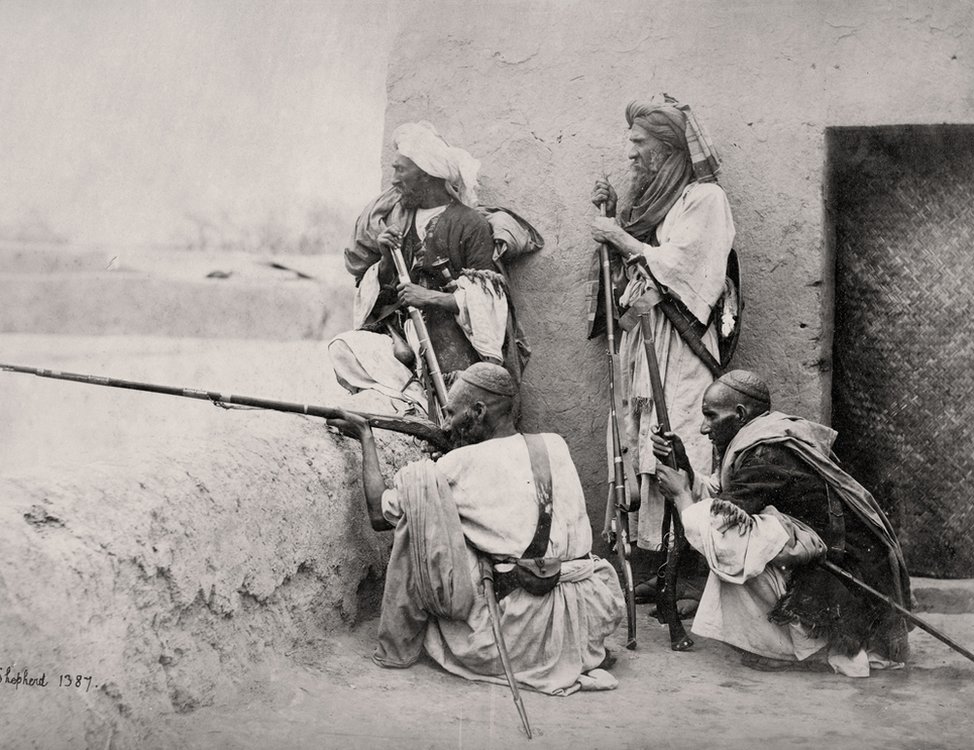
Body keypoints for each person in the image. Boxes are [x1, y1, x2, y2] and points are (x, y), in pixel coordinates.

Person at [327, 362, 624, 695]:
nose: (446, 424)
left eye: (451, 413)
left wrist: (365, 437)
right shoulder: (554, 444)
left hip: (525, 632)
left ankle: (403, 648)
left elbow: (379, 515)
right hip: (586, 618)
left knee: (421, 512)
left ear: (479, 411)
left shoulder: (459, 464)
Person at [653, 369, 912, 676]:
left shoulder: (766, 452)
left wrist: (682, 495)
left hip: (844, 581)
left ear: (740, 414)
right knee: (751, 537)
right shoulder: (764, 437)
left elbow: (718, 528)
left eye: (711, 416)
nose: (703, 428)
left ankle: (793, 649)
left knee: (735, 551)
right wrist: (683, 464)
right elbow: (728, 499)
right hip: (834, 569)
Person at [586, 94, 737, 606]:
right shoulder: (660, 203)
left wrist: (620, 238)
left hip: (683, 343)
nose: (630, 153)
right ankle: (665, 566)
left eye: (639, 143)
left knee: (685, 443)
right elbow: (640, 258)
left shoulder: (705, 199)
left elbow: (685, 267)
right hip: (647, 339)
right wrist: (618, 220)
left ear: (668, 149)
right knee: (647, 445)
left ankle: (694, 574)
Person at [331, 121, 531, 417]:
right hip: (405, 338)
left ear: (425, 174)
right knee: (343, 348)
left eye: (401, 170)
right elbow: (384, 296)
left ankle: (420, 403)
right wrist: (386, 258)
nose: (394, 180)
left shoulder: (469, 223)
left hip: (453, 340)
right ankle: (413, 399)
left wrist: (430, 298)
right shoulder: (399, 219)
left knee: (461, 397)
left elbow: (490, 304)